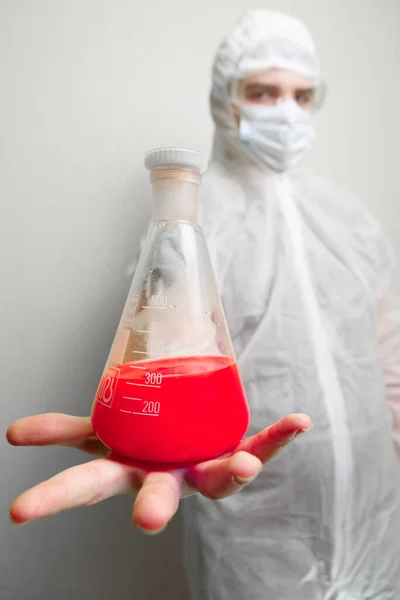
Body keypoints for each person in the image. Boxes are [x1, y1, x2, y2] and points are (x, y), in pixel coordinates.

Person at [6, 8, 400, 599]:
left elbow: (388, 357)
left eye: (300, 95)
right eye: (263, 91)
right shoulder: (195, 226)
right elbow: (166, 373)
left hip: (376, 514)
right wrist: (160, 444)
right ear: (225, 98)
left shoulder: (351, 220)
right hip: (256, 530)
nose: (285, 111)